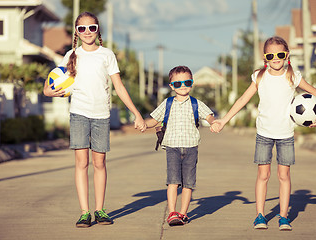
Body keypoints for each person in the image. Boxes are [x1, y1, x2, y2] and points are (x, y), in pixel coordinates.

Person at [210, 36, 316, 231]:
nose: (276, 58)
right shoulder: (259, 76)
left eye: (280, 54)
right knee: (263, 175)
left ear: (287, 55)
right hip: (264, 133)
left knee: (284, 175)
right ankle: (260, 215)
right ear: (265, 57)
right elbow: (242, 100)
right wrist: (224, 120)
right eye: (271, 55)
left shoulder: (293, 76)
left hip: (286, 135)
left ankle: (283, 217)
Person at [43, 11, 146, 228]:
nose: (87, 32)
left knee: (99, 162)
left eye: (92, 28)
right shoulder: (71, 55)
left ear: (98, 30)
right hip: (79, 113)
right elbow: (53, 82)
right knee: (82, 163)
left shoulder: (107, 55)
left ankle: (100, 210)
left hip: (101, 115)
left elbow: (118, 86)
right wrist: (48, 91)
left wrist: (136, 113)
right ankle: (84, 212)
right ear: (77, 32)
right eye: (82, 28)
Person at [145, 66, 215, 226]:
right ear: (171, 86)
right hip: (172, 148)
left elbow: (209, 116)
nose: (183, 85)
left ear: (192, 83)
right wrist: (143, 124)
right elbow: (154, 120)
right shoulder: (168, 103)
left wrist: (214, 123)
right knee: (173, 181)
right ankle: (172, 213)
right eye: (178, 83)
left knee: (189, 183)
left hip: (191, 148)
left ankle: (183, 213)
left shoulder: (196, 103)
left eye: (187, 82)